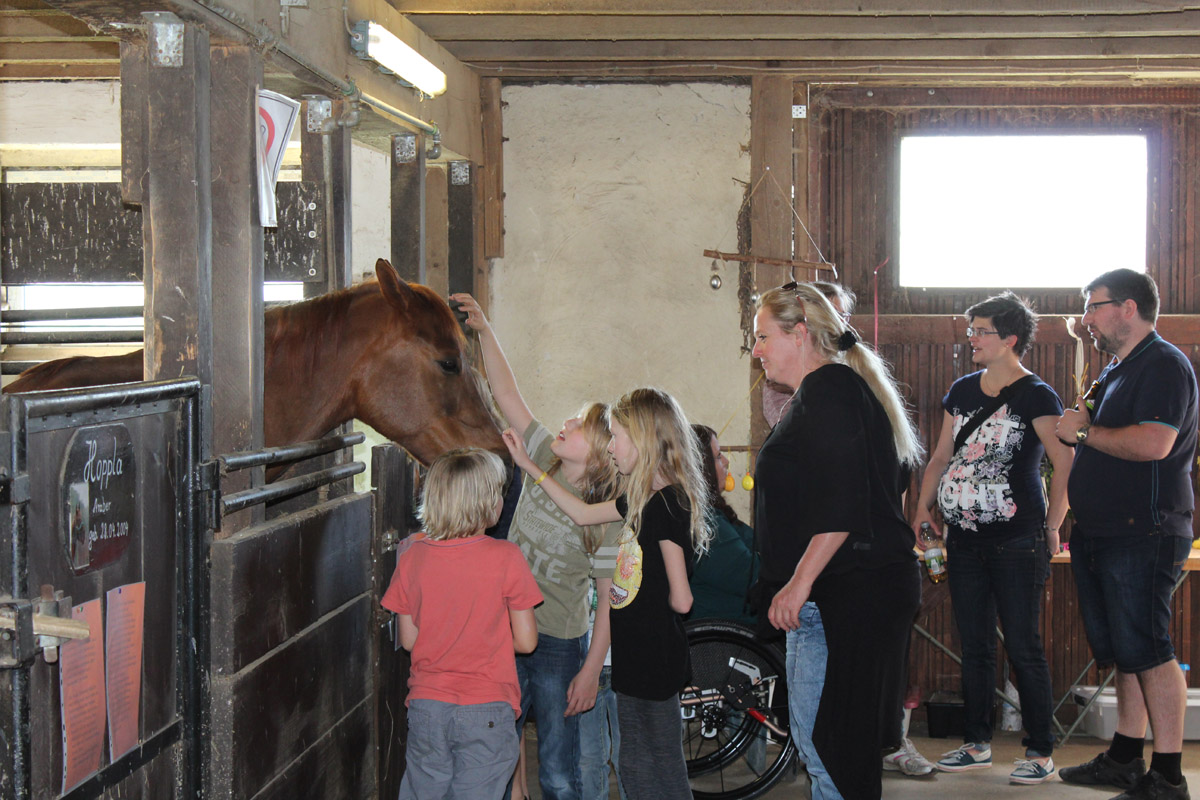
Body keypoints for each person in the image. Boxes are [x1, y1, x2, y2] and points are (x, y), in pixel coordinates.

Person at [752, 281, 923, 800]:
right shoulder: (834, 392)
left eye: (762, 337)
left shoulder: (830, 389)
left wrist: (798, 582)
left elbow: (845, 500)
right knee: (833, 747)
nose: (755, 350)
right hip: (851, 590)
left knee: (829, 749)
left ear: (799, 334)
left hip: (842, 593)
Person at [502, 387, 711, 800]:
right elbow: (580, 512)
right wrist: (529, 466)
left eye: (616, 438)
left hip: (654, 656)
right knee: (633, 763)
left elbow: (682, 599)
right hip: (632, 657)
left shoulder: (668, 504)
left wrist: (636, 594)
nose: (612, 447)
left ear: (644, 439)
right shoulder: (636, 497)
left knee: (662, 764)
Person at [452, 293, 622, 800]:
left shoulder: (604, 510)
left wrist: (591, 669)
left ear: (598, 455)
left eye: (577, 426)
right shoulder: (546, 454)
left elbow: (607, 599)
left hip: (557, 642)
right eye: (567, 422)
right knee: (502, 746)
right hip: (502, 628)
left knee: (558, 767)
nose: (563, 426)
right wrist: (485, 330)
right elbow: (508, 395)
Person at [911, 291, 1073, 785]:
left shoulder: (1037, 396)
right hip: (962, 539)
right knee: (975, 644)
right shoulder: (961, 390)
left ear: (1010, 340)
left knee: (1024, 646)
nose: (972, 338)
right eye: (972, 330)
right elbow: (940, 456)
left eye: (981, 331)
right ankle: (976, 742)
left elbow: (1065, 463)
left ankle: (1041, 751)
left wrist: (1052, 526)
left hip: (1017, 541)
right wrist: (922, 507)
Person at [1055, 269, 1197, 800]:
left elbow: (1154, 444)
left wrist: (1084, 431)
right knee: (1124, 650)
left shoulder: (1162, 364)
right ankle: (1123, 757)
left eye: (1095, 306)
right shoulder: (1117, 368)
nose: (1087, 319)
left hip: (1144, 529)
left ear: (1129, 308)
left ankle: (1167, 775)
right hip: (1105, 530)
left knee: (1150, 649)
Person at [380, 448, 544, 800]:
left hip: (427, 708)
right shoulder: (506, 557)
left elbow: (409, 640)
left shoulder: (412, 558)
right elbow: (527, 642)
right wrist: (486, 639)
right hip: (486, 707)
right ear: (489, 503)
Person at [689, 424, 758, 624]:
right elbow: (752, 576)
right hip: (729, 642)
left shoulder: (710, 514)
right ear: (702, 466)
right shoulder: (707, 526)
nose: (726, 461)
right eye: (718, 456)